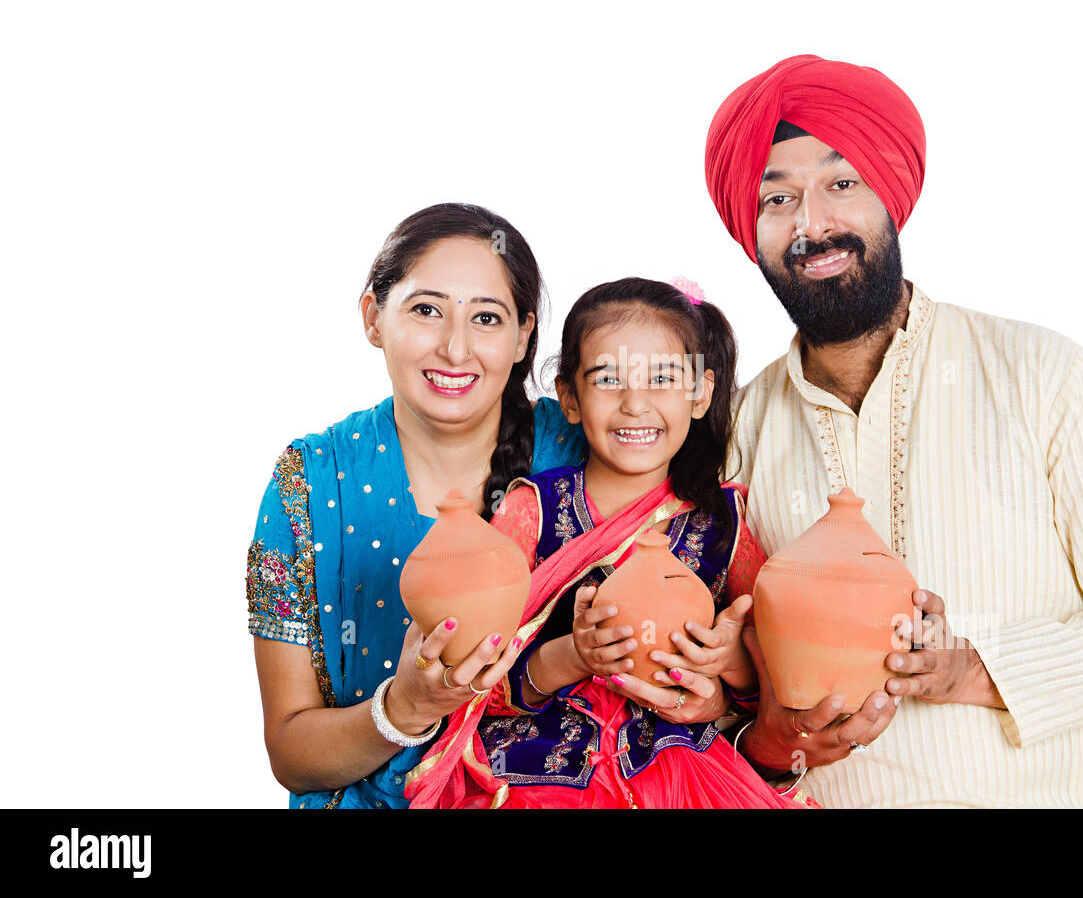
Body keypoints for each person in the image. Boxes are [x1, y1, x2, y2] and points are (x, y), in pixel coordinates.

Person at [704, 55, 1083, 807]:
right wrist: (770, 745)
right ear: (752, 231)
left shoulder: (1042, 375)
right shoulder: (740, 425)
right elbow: (728, 681)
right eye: (778, 199)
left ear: (891, 195)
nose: (813, 224)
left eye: (842, 184)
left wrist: (970, 668)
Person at [403, 277, 898, 808]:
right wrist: (572, 656)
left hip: (683, 771)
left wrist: (730, 661)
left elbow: (775, 682)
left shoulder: (728, 520)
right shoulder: (533, 510)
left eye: (663, 379)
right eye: (607, 379)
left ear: (701, 393)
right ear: (569, 397)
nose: (635, 405)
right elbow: (475, 682)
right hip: (539, 773)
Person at [246, 203, 586, 808]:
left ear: (523, 337)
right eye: (426, 310)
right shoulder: (312, 484)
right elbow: (291, 754)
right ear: (373, 317)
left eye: (486, 318)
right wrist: (404, 708)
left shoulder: (584, 451)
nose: (456, 349)